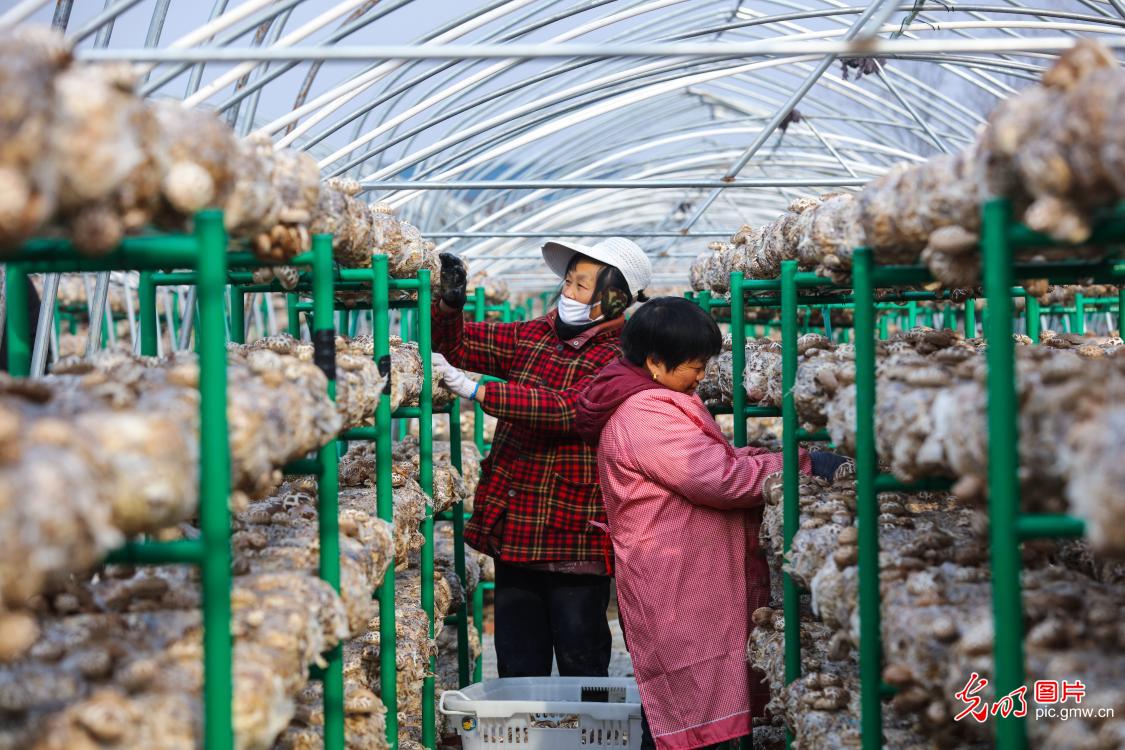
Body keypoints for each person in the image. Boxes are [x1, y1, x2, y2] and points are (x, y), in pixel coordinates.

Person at [575, 297, 845, 750]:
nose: (702, 376)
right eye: (696, 366)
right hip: (677, 581)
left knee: (696, 704)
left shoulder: (653, 399)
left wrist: (765, 456)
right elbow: (718, 479)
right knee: (686, 710)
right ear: (655, 362)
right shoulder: (644, 415)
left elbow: (712, 461)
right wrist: (801, 463)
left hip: (687, 575)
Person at [428, 237, 653, 678]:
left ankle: (585, 724)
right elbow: (462, 346)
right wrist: (450, 309)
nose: (567, 292)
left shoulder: (622, 357)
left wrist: (478, 390)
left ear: (614, 299)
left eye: (581, 286)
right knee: (518, 655)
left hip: (573, 528)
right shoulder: (534, 334)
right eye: (568, 282)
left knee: (580, 653)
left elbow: (570, 409)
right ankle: (521, 720)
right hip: (517, 520)